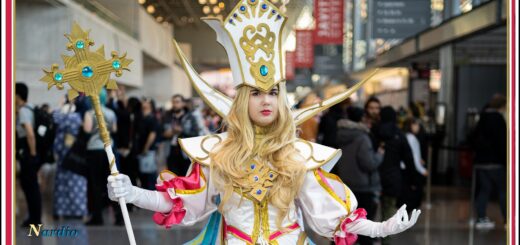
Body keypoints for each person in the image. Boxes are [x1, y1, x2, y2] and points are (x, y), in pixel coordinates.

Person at [107, 1, 420, 244]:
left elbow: (335, 216)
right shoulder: (218, 152)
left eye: (273, 92)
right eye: (256, 93)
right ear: (244, 99)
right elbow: (184, 202)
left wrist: (382, 228)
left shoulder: (297, 154)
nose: (267, 100)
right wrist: (132, 192)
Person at [335, 106, 385, 245]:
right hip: (363, 187)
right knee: (364, 230)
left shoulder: (340, 134)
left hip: (346, 186)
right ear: (361, 118)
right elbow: (368, 163)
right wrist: (380, 155)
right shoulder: (362, 137)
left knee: (342, 227)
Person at [470, 94, 507, 229]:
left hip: (481, 161)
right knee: (503, 191)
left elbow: (473, 137)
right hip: (495, 162)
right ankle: (507, 219)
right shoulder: (498, 119)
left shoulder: (482, 118)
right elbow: (502, 142)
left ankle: (481, 217)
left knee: (484, 190)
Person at [84, 88, 117, 225]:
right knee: (113, 184)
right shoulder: (111, 112)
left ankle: (97, 217)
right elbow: (115, 129)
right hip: (109, 150)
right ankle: (119, 217)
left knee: (95, 185)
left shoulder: (89, 113)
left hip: (94, 150)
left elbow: (87, 129)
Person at [52, 96, 89, 219]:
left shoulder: (67, 117)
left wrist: (60, 105)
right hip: (75, 154)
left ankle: (62, 209)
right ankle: (78, 210)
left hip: (65, 154)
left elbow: (55, 118)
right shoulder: (79, 117)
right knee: (77, 184)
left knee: (63, 184)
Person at [16, 82, 42, 227]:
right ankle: (34, 217)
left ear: (17, 95)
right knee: (31, 186)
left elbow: (30, 134)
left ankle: (35, 219)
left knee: (30, 186)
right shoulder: (30, 108)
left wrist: (32, 155)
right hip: (30, 152)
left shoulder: (24, 111)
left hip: (28, 153)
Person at [163, 94, 200, 176]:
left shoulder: (190, 117)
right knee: (172, 178)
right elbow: (162, 133)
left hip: (185, 152)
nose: (175, 104)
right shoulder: (167, 116)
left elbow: (196, 134)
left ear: (183, 103)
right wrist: (172, 132)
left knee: (185, 177)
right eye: (173, 102)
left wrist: (182, 131)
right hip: (171, 151)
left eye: (177, 102)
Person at [400, 117, 428, 211]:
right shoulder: (412, 138)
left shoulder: (405, 136)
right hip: (410, 170)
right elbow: (414, 157)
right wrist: (422, 170)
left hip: (404, 170)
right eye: (416, 124)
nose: (418, 127)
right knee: (412, 198)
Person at [135, 97, 160, 190]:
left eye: (146, 101)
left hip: (148, 151)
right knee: (143, 177)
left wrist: (146, 148)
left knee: (149, 176)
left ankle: (152, 199)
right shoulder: (141, 117)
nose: (143, 103)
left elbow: (152, 134)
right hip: (141, 151)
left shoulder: (152, 118)